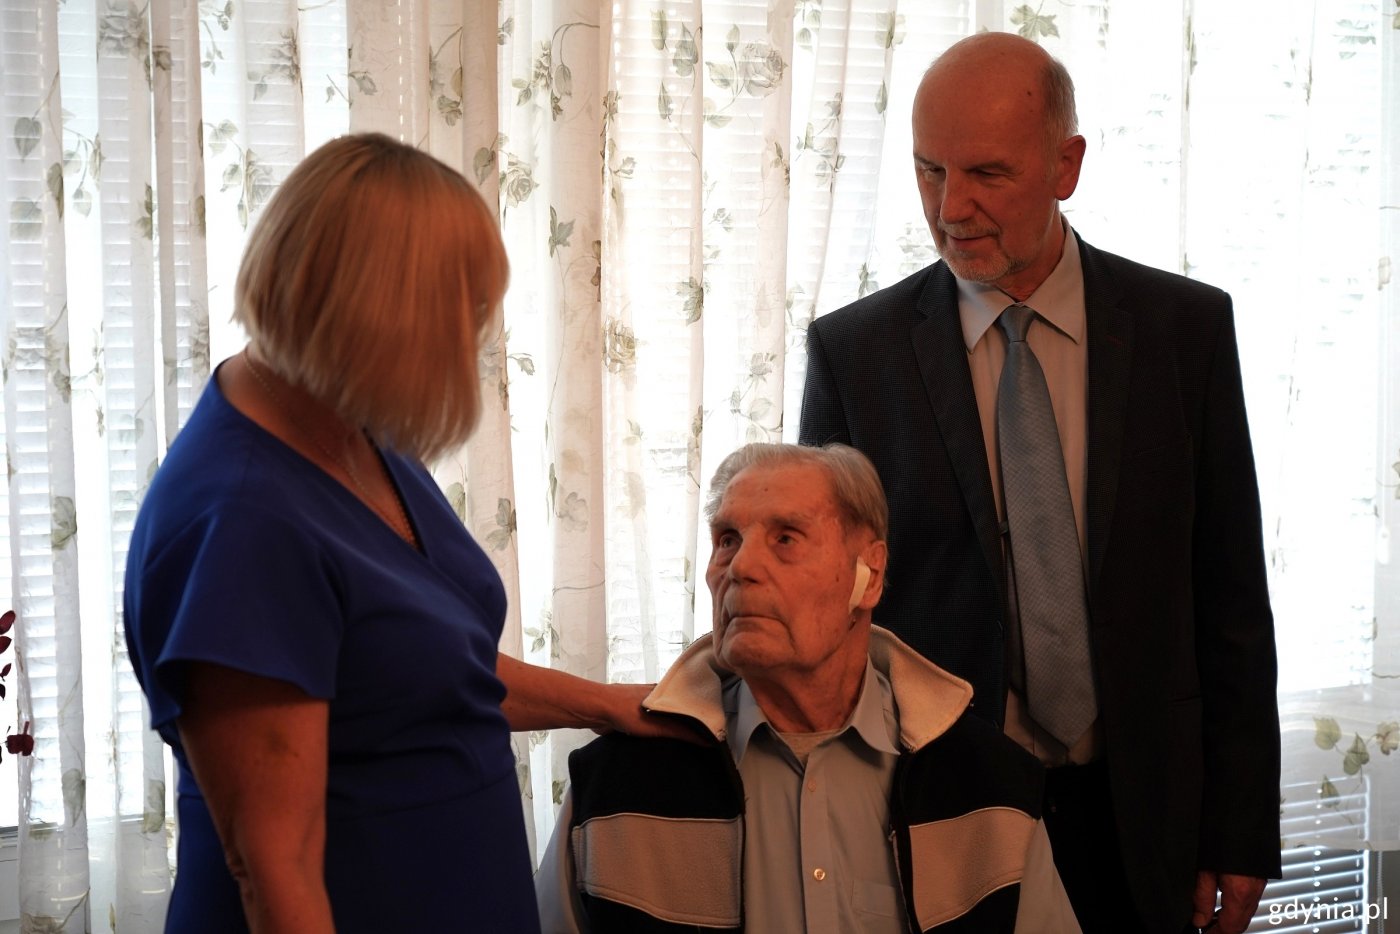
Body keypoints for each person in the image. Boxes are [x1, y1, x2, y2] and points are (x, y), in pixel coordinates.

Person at [122, 133, 685, 934]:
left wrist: (605, 705)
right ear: (380, 319)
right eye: (465, 318)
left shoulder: (346, 424)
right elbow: (275, 873)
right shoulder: (244, 525)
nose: (475, 343)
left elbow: (414, 668)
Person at [798, 32, 1280, 934]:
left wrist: (1242, 827)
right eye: (930, 171)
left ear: (1066, 165)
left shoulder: (1185, 332)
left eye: (987, 173)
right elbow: (830, 613)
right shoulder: (855, 355)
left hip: (1147, 817)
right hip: (944, 818)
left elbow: (1231, 602)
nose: (952, 208)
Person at [535, 442, 1081, 933]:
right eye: (727, 540)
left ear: (869, 575)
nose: (741, 567)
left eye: (786, 538)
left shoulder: (989, 785)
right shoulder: (614, 787)